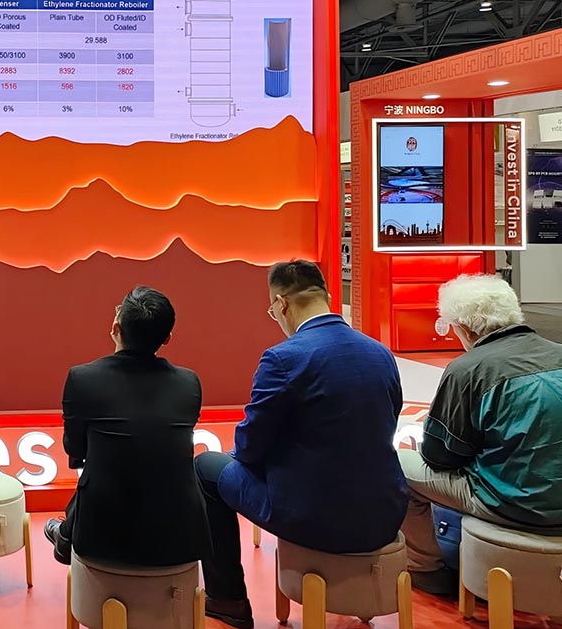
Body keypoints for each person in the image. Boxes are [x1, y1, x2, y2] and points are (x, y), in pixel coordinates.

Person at [195, 261, 406, 629]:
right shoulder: (379, 353)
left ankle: (228, 600)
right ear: (326, 296)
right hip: (384, 515)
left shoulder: (284, 358)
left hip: (313, 518)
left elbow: (249, 446)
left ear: (281, 304)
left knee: (206, 468)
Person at [399, 274, 562, 594]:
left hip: (514, 503)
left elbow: (440, 457)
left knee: (398, 467)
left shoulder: (468, 370)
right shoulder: (558, 352)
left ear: (465, 328)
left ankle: (425, 568)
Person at [43, 286, 211, 567]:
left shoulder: (82, 378)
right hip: (181, 535)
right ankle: (65, 532)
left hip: (101, 537)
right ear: (167, 338)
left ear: (115, 328)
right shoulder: (189, 383)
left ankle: (65, 535)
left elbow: (75, 449)